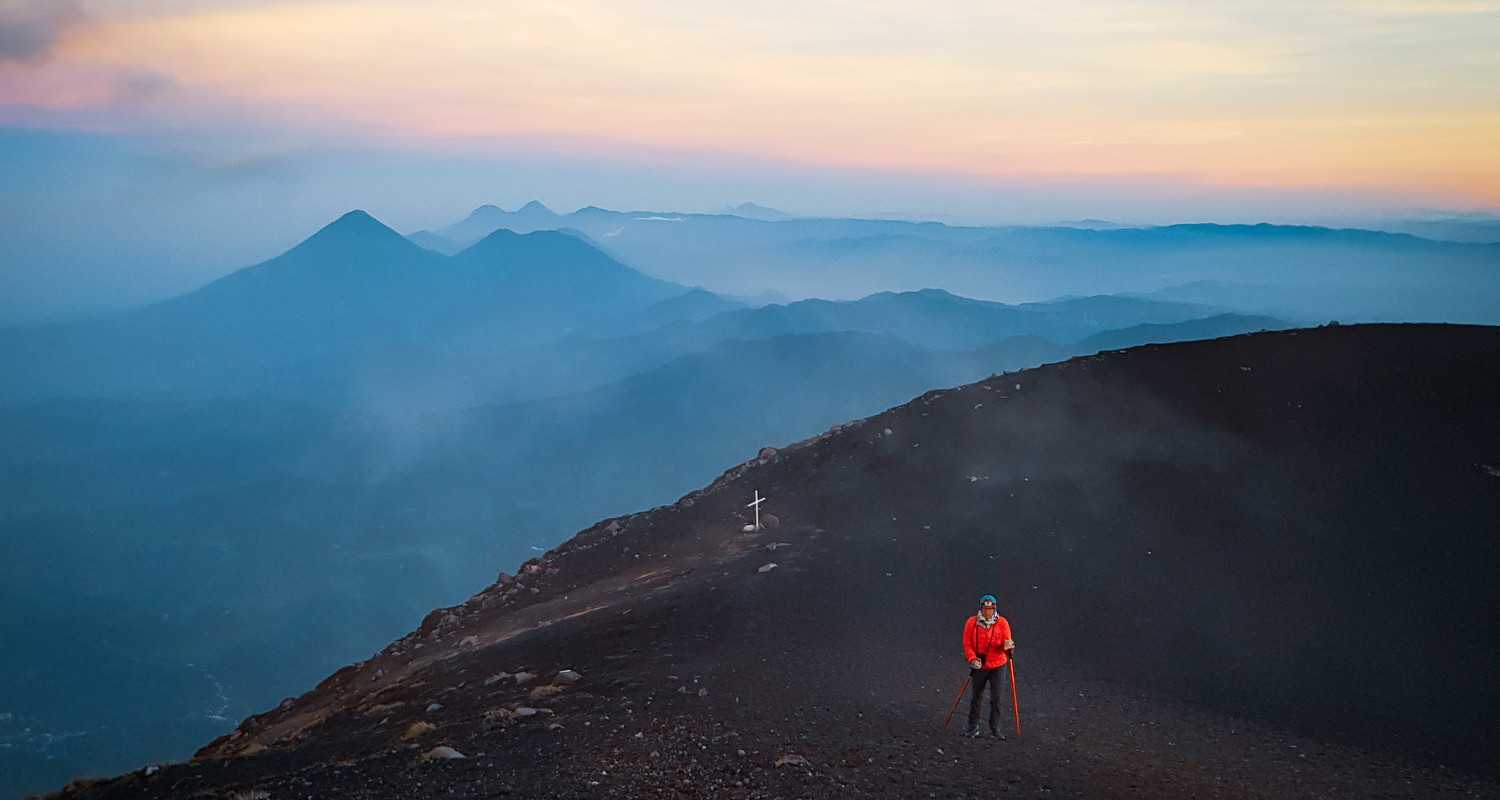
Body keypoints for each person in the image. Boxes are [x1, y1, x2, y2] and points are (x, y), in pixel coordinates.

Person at [962, 594, 1015, 738]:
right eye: (985, 609)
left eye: (990, 609)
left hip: (998, 665)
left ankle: (995, 729)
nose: (987, 612)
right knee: (976, 697)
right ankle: (973, 727)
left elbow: (1008, 645)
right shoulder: (971, 623)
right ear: (981, 608)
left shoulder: (1002, 623)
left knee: (996, 698)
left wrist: (1009, 647)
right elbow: (967, 644)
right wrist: (972, 659)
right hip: (979, 665)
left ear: (994, 609)